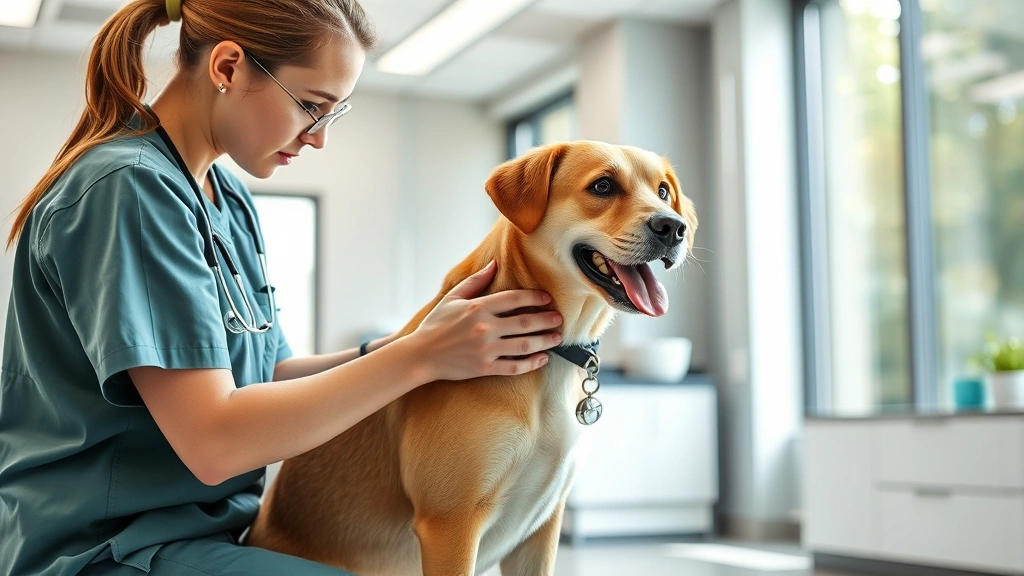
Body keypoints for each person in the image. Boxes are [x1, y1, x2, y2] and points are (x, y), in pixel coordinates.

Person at [0, 0, 565, 574]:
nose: (318, 137)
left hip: (205, 536)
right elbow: (216, 441)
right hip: (105, 550)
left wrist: (418, 344)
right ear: (227, 68)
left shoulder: (229, 199)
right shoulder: (129, 189)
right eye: (311, 106)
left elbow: (267, 376)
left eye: (334, 114)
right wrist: (419, 357)